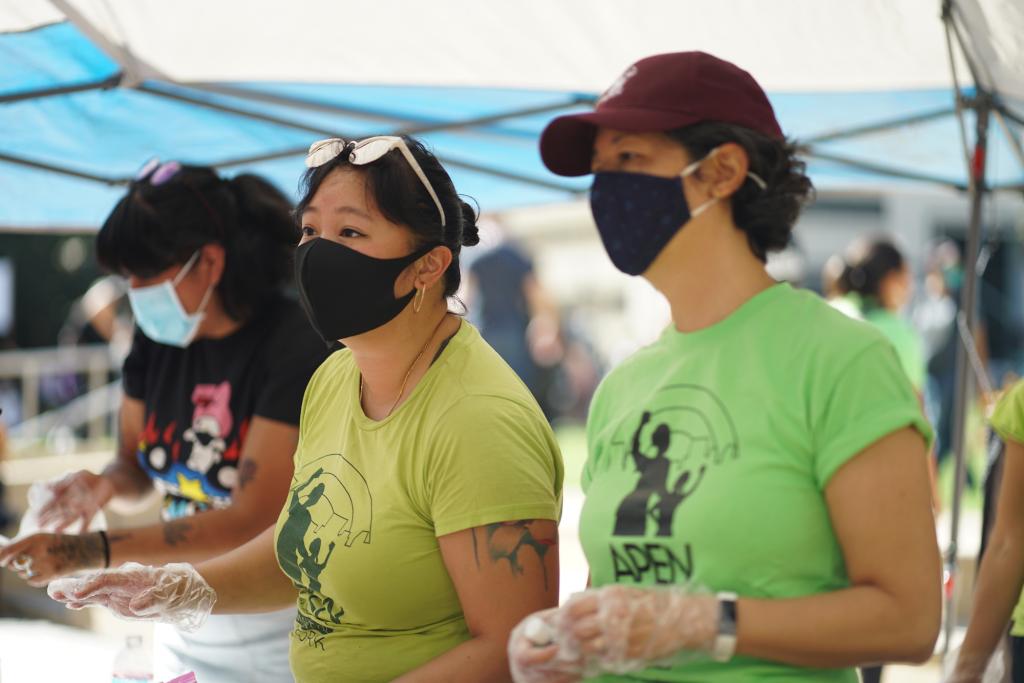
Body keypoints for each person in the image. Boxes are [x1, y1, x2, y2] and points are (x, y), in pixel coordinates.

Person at [49, 135, 564, 683]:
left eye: (350, 232)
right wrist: (182, 587)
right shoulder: (335, 378)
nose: (318, 253)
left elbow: (514, 648)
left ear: (429, 265)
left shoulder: (477, 419)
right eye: (310, 231)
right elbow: (305, 551)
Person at [508, 51, 940, 683]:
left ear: (723, 171)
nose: (607, 193)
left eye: (628, 159)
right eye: (599, 170)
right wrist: (567, 642)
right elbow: (623, 595)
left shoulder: (840, 360)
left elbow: (910, 620)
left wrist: (712, 624)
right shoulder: (624, 385)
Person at [0, 162, 329, 682]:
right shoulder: (156, 343)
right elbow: (135, 469)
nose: (133, 289)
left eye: (145, 274)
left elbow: (252, 519)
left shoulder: (290, 343)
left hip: (277, 622)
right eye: (124, 276)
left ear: (209, 262)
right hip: (180, 616)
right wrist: (102, 488)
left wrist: (91, 551)